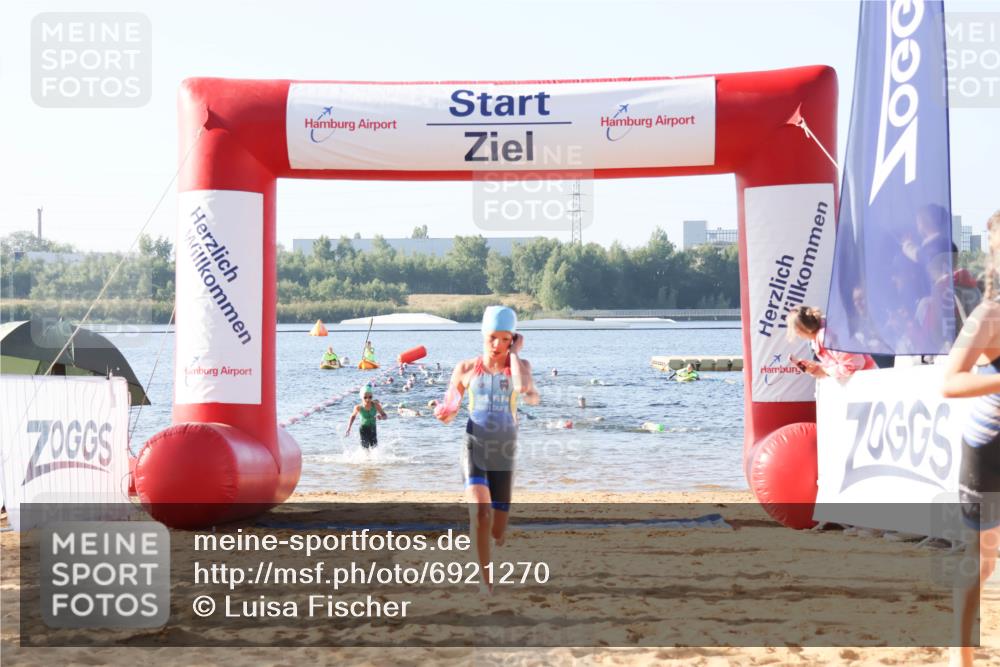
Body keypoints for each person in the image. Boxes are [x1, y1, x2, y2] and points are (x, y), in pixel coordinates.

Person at [434, 306, 540, 593]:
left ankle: (497, 537)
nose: (498, 345)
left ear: (514, 339)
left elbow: (526, 391)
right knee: (479, 512)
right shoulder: (466, 369)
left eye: (506, 339)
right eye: (493, 337)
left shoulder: (520, 367)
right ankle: (485, 581)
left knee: (497, 530)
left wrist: (515, 355)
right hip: (475, 443)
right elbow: (451, 406)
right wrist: (444, 412)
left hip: (504, 451)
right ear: (483, 335)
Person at [941, 210, 1000, 667]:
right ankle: (960, 656)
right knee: (981, 559)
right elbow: (951, 381)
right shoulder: (990, 314)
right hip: (989, 449)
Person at [786, 305, 877, 379]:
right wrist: (817, 368)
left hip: (867, 384)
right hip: (860, 384)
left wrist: (824, 370)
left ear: (801, 330)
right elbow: (840, 363)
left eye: (795, 330)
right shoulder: (820, 337)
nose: (796, 334)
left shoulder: (827, 336)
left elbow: (853, 365)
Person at [345, 384, 387, 449]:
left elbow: (385, 415)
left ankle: (373, 459)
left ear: (372, 396)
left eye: (370, 397)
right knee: (365, 448)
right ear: (361, 397)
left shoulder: (376, 405)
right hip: (363, 429)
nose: (368, 399)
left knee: (374, 448)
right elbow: (353, 416)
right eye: (365, 397)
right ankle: (366, 459)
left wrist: (381, 417)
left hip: (373, 428)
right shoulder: (358, 407)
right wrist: (349, 428)